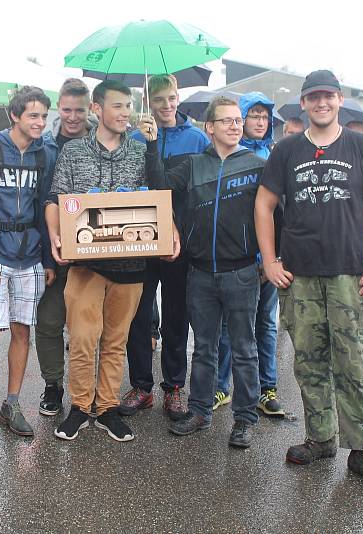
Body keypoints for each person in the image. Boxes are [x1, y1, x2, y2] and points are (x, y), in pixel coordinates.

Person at [255, 70, 363, 491]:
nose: (321, 103)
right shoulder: (286, 151)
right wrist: (269, 260)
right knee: (310, 361)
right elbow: (265, 205)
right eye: (313, 97)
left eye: (328, 96)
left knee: (352, 364)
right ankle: (320, 437)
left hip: (350, 276)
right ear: (303, 103)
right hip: (299, 277)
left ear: (339, 100)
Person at [47, 80, 178, 442]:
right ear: (97, 109)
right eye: (118, 106)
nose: (125, 113)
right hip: (85, 267)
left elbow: (160, 195)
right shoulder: (73, 152)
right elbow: (56, 198)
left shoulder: (140, 152)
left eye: (129, 107)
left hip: (131, 268)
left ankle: (105, 408)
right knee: (84, 340)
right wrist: (56, 235)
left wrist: (152, 146)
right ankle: (79, 407)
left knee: (116, 342)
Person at [142, 96, 263, 448]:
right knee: (205, 347)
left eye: (237, 120)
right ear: (209, 128)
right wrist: (151, 144)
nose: (234, 125)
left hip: (241, 271)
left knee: (244, 348)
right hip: (200, 272)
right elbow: (160, 188)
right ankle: (199, 410)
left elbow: (275, 215)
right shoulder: (195, 164)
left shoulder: (256, 165)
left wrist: (272, 259)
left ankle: (244, 419)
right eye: (226, 121)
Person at [120, 74, 209, 421]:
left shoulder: (197, 138)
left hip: (180, 243)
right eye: (159, 100)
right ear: (148, 101)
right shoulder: (134, 136)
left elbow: (199, 191)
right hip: (141, 240)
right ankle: (141, 385)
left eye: (172, 98)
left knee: (175, 315)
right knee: (138, 315)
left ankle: (174, 386)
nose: (167, 105)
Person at [0, 86, 56, 449]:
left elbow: (46, 206)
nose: (40, 122)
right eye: (33, 115)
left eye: (43, 115)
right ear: (15, 116)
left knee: (23, 332)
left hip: (31, 257)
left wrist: (49, 259)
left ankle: (13, 403)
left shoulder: (45, 154)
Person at [213, 92, 285, 418]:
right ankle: (220, 386)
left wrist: (274, 258)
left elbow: (281, 213)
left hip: (268, 261)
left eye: (263, 116)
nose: (258, 121)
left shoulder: (275, 156)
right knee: (230, 327)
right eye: (252, 115)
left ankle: (266, 387)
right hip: (238, 261)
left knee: (266, 324)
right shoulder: (230, 157)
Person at [37, 78, 95, 416]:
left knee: (87, 329)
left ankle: (83, 391)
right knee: (48, 322)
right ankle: (52, 385)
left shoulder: (102, 144)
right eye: (67, 109)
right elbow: (41, 203)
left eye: (80, 110)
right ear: (60, 108)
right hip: (54, 253)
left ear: (90, 110)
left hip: (91, 253)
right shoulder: (44, 146)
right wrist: (46, 253)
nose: (73, 117)